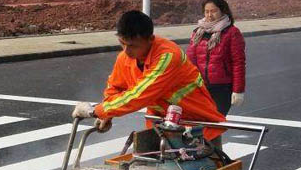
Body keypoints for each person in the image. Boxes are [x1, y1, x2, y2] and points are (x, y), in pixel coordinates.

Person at [72, 10, 225, 141]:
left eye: (132, 45)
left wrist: (95, 111)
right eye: (122, 43)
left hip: (198, 126)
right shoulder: (125, 57)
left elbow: (140, 95)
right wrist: (107, 115)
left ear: (150, 39)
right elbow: (115, 88)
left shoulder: (168, 56)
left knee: (201, 166)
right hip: (161, 126)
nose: (126, 51)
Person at [186, 0, 246, 115]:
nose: (209, 15)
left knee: (216, 121)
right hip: (201, 87)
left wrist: (238, 90)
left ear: (222, 11)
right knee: (201, 122)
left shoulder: (231, 32)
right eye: (206, 11)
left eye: (213, 11)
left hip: (222, 88)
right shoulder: (197, 33)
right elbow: (190, 61)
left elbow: (238, 63)